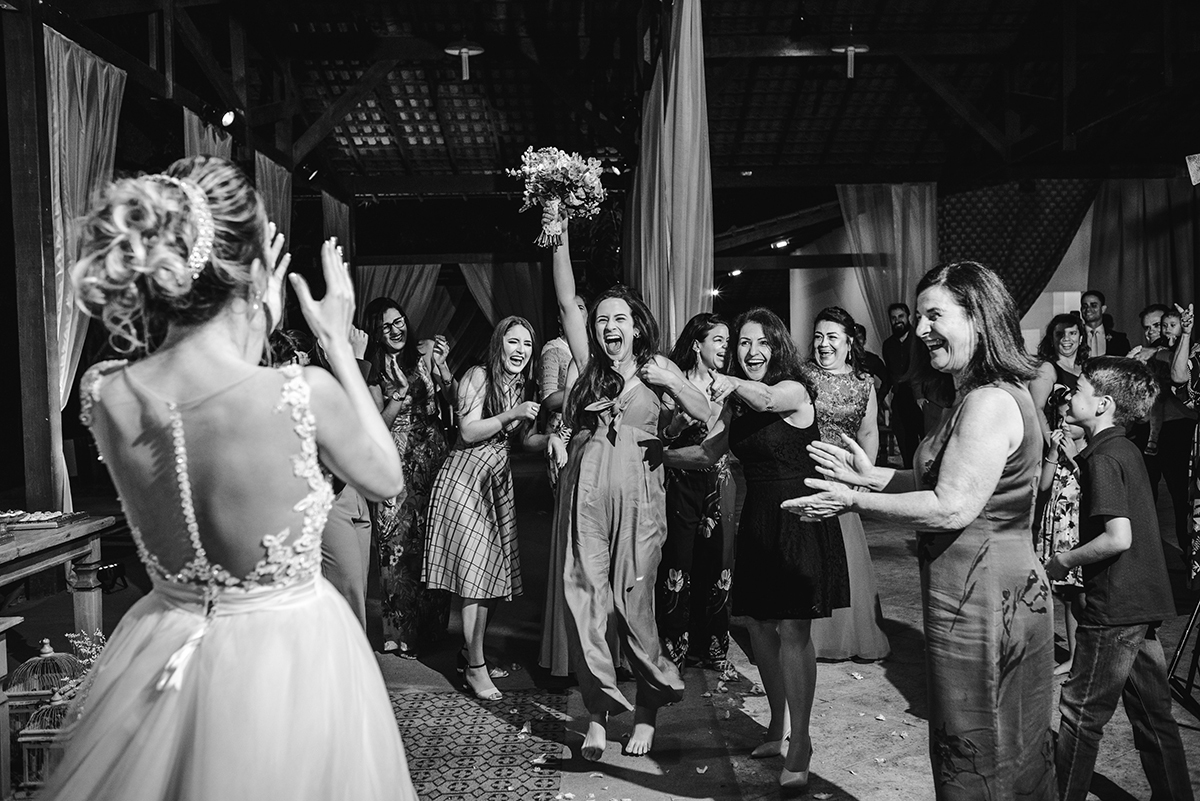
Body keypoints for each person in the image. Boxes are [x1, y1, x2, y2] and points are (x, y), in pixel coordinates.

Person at [48, 156, 415, 800]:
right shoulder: (302, 393)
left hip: (162, 647)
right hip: (289, 657)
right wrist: (336, 343)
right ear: (253, 274)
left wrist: (252, 312)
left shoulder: (106, 394)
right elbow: (387, 479)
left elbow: (204, 397)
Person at [785, 261, 1055, 800]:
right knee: (976, 741)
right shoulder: (973, 396)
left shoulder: (989, 402)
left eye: (935, 315)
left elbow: (951, 506)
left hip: (988, 601)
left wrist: (852, 501)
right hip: (970, 593)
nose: (922, 328)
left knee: (984, 749)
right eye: (920, 315)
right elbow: (940, 480)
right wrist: (871, 476)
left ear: (978, 318)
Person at [666, 307, 849, 795]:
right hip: (759, 520)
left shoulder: (794, 388)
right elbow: (708, 452)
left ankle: (801, 742)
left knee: (792, 628)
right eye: (742, 343)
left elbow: (767, 397)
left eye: (761, 342)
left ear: (777, 346)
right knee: (760, 627)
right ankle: (776, 725)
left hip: (799, 517)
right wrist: (656, 455)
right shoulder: (738, 403)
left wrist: (727, 382)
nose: (751, 351)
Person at [548, 212, 711, 760]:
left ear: (636, 327)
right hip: (586, 497)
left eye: (619, 318)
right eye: (601, 320)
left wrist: (672, 382)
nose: (608, 326)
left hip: (642, 501)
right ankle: (596, 716)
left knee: (635, 606)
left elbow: (705, 412)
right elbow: (567, 300)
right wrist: (559, 230)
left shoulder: (657, 366)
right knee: (586, 602)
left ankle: (646, 712)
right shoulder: (589, 365)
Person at [1047, 357, 1194, 801]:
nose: (1069, 395)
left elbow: (1118, 538)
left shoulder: (1106, 458)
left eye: (1078, 389)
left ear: (1103, 403)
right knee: (1153, 715)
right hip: (1141, 602)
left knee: (1080, 713)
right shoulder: (1122, 449)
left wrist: (1063, 560)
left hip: (1113, 607)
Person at [423, 316, 545, 702]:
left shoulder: (521, 386)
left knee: (491, 578)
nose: (520, 350)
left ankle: (469, 654)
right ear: (499, 344)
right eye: (513, 341)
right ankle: (475, 667)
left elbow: (526, 440)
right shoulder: (479, 375)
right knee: (475, 579)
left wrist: (558, 439)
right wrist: (512, 413)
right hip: (464, 481)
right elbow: (468, 430)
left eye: (527, 344)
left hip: (495, 483)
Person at [364, 297, 452, 657]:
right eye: (386, 326)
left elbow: (452, 402)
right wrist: (398, 396)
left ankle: (431, 631)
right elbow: (377, 425)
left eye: (398, 321)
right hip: (394, 463)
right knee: (396, 547)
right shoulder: (373, 371)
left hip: (431, 456)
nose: (395, 329)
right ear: (376, 333)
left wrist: (444, 370)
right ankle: (400, 633)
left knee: (432, 543)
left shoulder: (426, 351)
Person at [803, 307, 890, 662]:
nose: (823, 344)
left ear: (849, 342)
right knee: (807, 555)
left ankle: (842, 634)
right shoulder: (802, 376)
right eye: (818, 337)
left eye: (832, 337)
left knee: (843, 556)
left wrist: (865, 478)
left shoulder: (863, 384)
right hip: (804, 474)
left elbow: (869, 432)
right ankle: (802, 635)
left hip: (843, 479)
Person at [655, 313, 738, 677]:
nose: (725, 347)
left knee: (718, 567)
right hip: (679, 485)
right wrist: (674, 426)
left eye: (727, 341)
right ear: (696, 344)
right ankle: (675, 650)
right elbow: (659, 438)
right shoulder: (674, 385)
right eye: (718, 340)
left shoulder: (731, 385)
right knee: (677, 565)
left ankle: (713, 649)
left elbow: (718, 439)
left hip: (718, 483)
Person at [1029, 314, 1089, 674]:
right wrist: (1053, 443)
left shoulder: (1084, 369)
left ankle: (1083, 653)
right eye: (1059, 334)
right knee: (1063, 576)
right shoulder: (1048, 369)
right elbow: (1035, 407)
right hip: (1060, 460)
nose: (1066, 338)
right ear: (1051, 339)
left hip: (1083, 460)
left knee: (1080, 579)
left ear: (1081, 336)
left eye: (1072, 333)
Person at [881, 302, 922, 467]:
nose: (897, 320)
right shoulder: (888, 345)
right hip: (900, 399)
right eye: (893, 318)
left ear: (908, 317)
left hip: (920, 398)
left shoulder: (920, 340)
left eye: (901, 316)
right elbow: (889, 375)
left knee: (927, 442)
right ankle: (910, 475)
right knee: (905, 444)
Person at [1079, 290, 1130, 358]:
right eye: (1085, 306)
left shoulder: (1119, 339)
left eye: (1094, 305)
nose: (1088, 309)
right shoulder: (1075, 338)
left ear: (1103, 309)